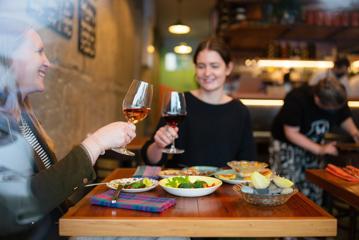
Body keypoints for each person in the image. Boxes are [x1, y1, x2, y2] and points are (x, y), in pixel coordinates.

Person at [0, 18, 136, 239]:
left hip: (63, 226)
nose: (47, 62)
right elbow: (16, 207)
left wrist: (93, 150)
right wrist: (94, 144)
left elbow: (52, 189)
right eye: (38, 52)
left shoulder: (24, 118)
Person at [141, 38, 256, 168]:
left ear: (228, 68)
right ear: (195, 68)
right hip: (183, 185)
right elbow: (150, 159)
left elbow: (248, 162)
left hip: (224, 186)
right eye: (201, 66)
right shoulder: (180, 102)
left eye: (214, 66)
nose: (207, 73)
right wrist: (158, 145)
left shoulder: (240, 110)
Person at [269, 77, 359, 204]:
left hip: (314, 142)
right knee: (287, 187)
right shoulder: (296, 98)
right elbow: (291, 133)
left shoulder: (337, 97)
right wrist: (320, 149)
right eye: (330, 109)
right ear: (317, 99)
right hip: (287, 145)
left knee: (314, 184)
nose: (334, 111)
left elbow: (343, 116)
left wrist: (355, 132)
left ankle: (313, 218)